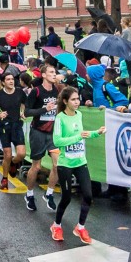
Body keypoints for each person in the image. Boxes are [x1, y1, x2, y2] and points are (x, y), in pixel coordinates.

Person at [50, 85, 97, 243]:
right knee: (66, 198)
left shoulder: (79, 114)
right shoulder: (60, 118)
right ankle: (56, 225)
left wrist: (97, 132)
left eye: (78, 99)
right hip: (65, 164)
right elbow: (57, 141)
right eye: (73, 99)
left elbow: (83, 135)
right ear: (65, 101)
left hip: (80, 161)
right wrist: (77, 137)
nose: (77, 102)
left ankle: (80, 227)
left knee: (88, 195)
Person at [23, 63, 64, 213]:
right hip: (38, 132)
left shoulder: (58, 90)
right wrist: (44, 109)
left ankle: (49, 194)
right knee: (37, 167)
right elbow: (27, 112)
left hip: (53, 134)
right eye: (51, 72)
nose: (54, 74)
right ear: (44, 75)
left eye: (55, 72)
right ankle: (29, 194)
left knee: (58, 165)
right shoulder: (36, 91)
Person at [0, 71, 27, 192]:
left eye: (12, 79)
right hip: (4, 126)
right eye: (8, 79)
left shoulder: (19, 92)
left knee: (21, 154)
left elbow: (25, 103)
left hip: (17, 125)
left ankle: (13, 164)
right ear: (3, 82)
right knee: (8, 155)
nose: (11, 81)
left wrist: (22, 111)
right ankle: (4, 179)